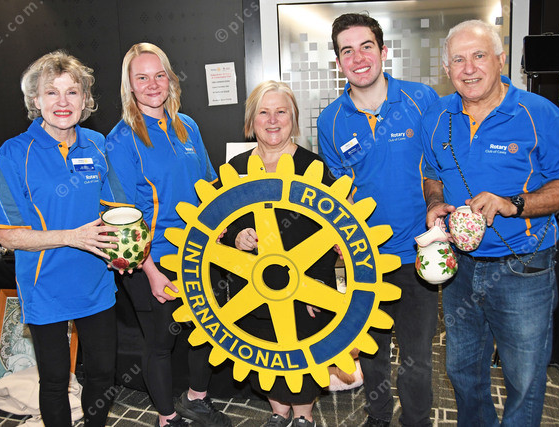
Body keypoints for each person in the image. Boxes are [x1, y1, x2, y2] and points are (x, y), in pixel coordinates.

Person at [421, 20, 559, 426]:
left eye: (479, 56)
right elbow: (432, 173)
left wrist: (515, 204)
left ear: (500, 59)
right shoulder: (436, 115)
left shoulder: (539, 114)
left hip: (524, 269)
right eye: (458, 60)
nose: (469, 68)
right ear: (446, 69)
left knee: (523, 378)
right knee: (462, 371)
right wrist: (436, 202)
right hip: (460, 269)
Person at [316, 13, 439, 427]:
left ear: (383, 51)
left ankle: (417, 421)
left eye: (366, 46)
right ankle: (379, 416)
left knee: (418, 357)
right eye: (347, 51)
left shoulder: (421, 100)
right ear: (338, 62)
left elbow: (440, 168)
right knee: (371, 352)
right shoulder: (331, 120)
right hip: (366, 258)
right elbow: (342, 191)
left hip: (418, 252)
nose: (358, 58)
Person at [0, 50, 121, 426]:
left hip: (96, 282)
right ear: (36, 99)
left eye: (72, 92)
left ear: (85, 99)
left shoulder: (97, 144)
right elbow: (9, 236)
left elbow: (114, 210)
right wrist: (72, 237)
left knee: (102, 374)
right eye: (52, 92)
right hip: (44, 284)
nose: (63, 102)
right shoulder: (13, 154)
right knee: (54, 380)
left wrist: (128, 244)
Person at [105, 42, 231, 427]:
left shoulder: (187, 125)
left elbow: (209, 184)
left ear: (170, 79)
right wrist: (151, 271)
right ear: (129, 85)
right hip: (154, 257)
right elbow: (122, 218)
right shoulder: (121, 139)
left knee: (205, 331)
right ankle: (167, 417)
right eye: (142, 77)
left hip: (198, 251)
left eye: (159, 75)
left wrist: (219, 226)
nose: (152, 84)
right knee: (161, 342)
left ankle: (197, 399)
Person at [219, 80, 337, 427]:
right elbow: (217, 226)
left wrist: (319, 287)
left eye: (281, 112)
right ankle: (277, 412)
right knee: (261, 351)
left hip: (305, 286)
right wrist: (235, 238)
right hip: (251, 286)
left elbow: (334, 234)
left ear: (293, 119)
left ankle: (302, 417)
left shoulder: (313, 168)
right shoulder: (234, 168)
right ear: (251, 121)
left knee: (302, 355)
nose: (272, 121)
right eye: (263, 113)